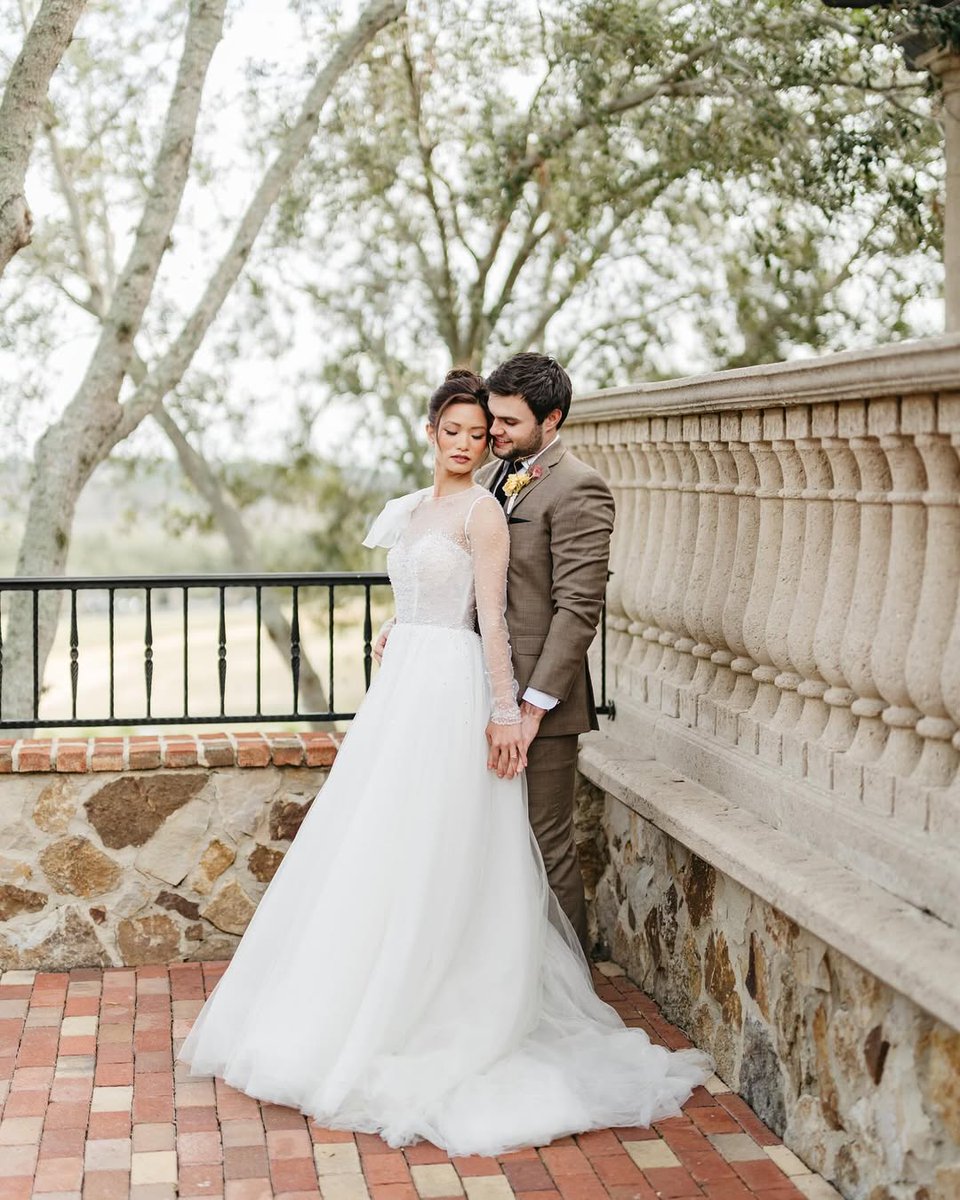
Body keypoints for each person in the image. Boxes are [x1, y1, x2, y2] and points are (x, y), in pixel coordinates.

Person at [178, 369, 711, 1156]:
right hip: (422, 697)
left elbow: (570, 610)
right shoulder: (481, 482)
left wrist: (520, 709)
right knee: (420, 845)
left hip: (525, 700)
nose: (485, 436)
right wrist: (406, 630)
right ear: (434, 431)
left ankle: (546, 1000)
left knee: (539, 851)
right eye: (470, 425)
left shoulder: (575, 489)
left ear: (549, 419)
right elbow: (443, 588)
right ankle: (410, 991)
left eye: (498, 424)